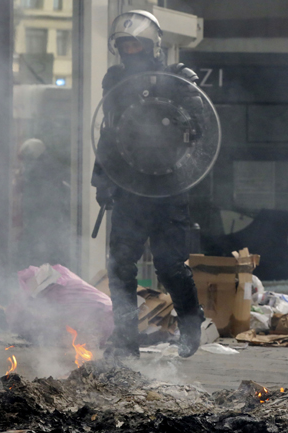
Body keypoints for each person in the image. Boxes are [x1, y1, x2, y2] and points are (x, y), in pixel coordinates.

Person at [92, 10, 205, 359]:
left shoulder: (179, 79)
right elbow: (109, 135)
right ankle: (126, 341)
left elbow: (200, 129)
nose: (129, 50)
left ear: (151, 44)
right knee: (120, 265)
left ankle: (190, 319)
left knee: (169, 264)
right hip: (129, 186)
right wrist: (102, 180)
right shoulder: (115, 82)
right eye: (123, 45)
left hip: (168, 187)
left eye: (135, 43)